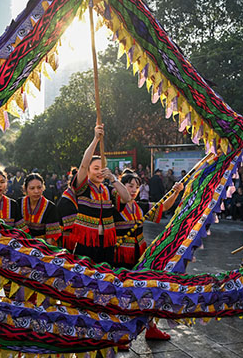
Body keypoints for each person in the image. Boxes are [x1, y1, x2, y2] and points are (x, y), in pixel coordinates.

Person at [113, 169, 183, 342]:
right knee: (123, 294)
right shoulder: (115, 206)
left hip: (140, 255)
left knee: (146, 290)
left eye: (137, 186)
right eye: (130, 186)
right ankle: (119, 333)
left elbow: (164, 206)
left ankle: (151, 328)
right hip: (119, 256)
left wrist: (175, 192)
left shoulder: (140, 206)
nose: (134, 190)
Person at [70, 124, 130, 264]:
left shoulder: (108, 190)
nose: (99, 172)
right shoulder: (83, 187)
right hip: (86, 243)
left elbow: (126, 198)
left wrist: (113, 179)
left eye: (102, 168)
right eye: (95, 168)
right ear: (89, 171)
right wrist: (96, 139)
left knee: (105, 278)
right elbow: (83, 165)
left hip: (107, 243)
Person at [18, 173, 61, 245]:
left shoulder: (50, 207)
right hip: (21, 244)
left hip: (42, 246)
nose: (36, 191)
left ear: (43, 188)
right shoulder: (18, 204)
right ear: (25, 189)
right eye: (32, 188)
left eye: (39, 187)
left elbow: (50, 237)